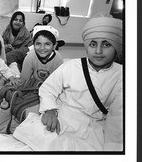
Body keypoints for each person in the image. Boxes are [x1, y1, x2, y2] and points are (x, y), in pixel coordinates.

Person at [13, 14, 123, 151]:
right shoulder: (71, 66)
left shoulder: (122, 76)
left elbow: (118, 118)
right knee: (38, 134)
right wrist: (50, 110)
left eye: (106, 44)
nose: (98, 51)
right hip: (62, 116)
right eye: (93, 44)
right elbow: (48, 89)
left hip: (94, 126)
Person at [0, 26, 64, 133]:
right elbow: (24, 79)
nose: (42, 48)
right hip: (33, 87)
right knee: (12, 93)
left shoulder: (58, 59)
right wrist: (13, 85)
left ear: (54, 46)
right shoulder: (30, 57)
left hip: (49, 89)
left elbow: (58, 84)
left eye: (47, 44)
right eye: (38, 44)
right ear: (33, 45)